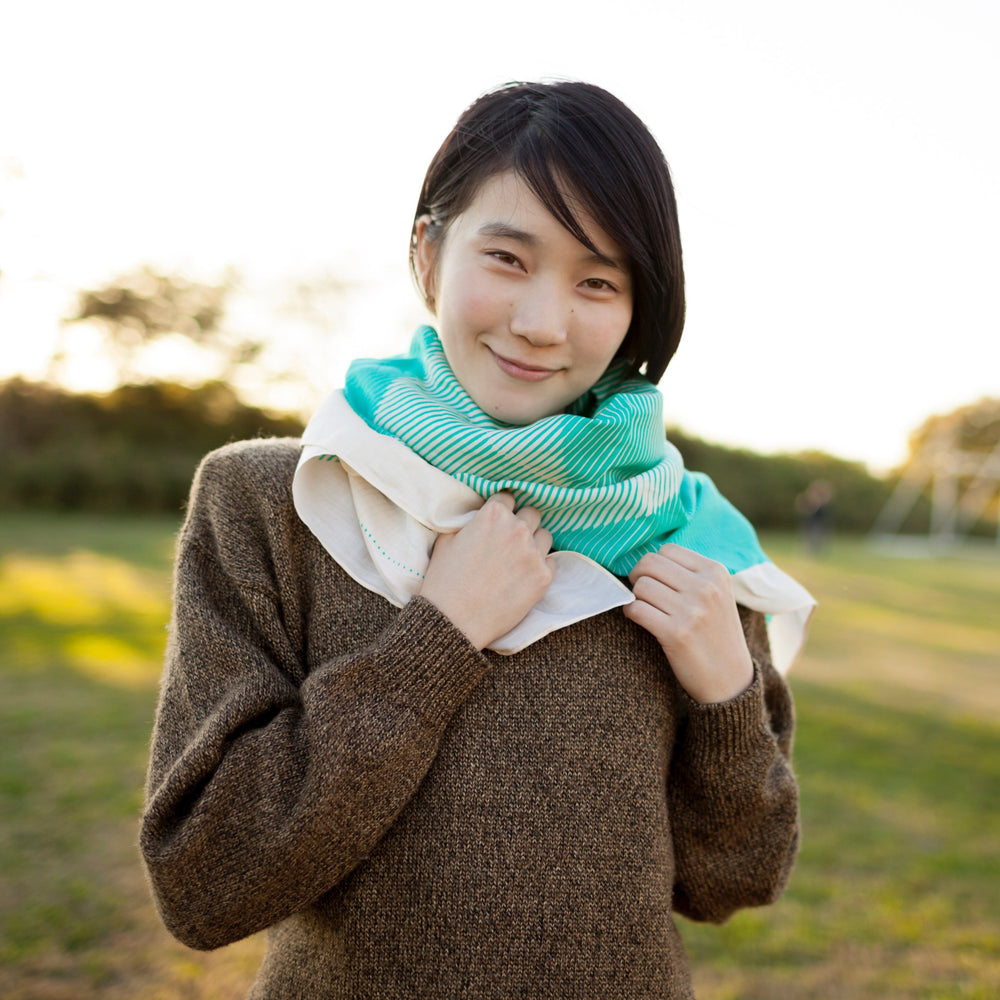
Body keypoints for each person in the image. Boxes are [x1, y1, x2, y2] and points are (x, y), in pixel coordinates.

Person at [141, 80, 815, 998]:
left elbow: (735, 881)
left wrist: (728, 695)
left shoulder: (684, 537)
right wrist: (438, 638)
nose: (543, 324)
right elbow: (206, 882)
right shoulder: (275, 499)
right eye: (507, 257)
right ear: (427, 254)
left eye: (598, 281)